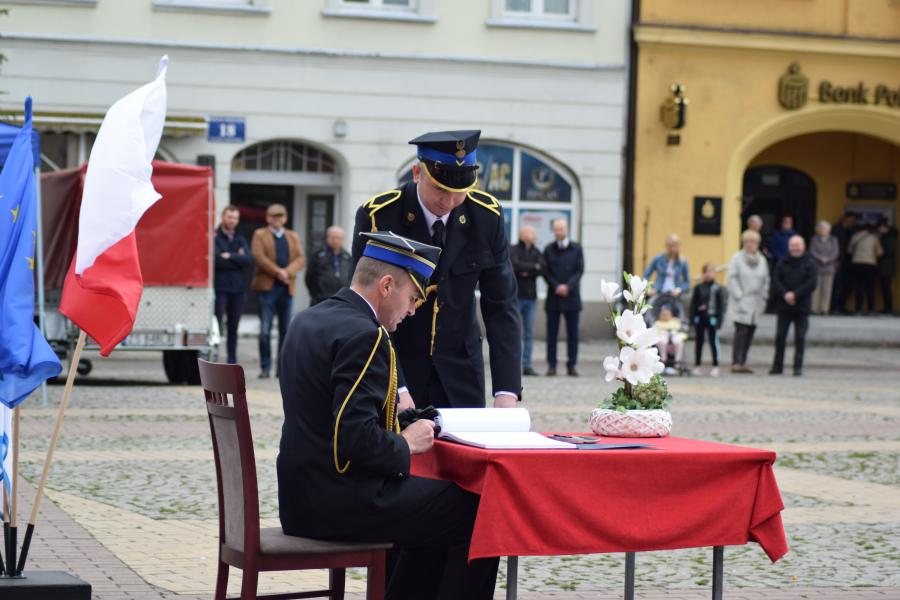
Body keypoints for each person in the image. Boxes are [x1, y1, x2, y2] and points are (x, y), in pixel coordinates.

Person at [278, 231, 499, 600]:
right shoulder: (367, 335)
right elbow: (354, 438)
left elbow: (327, 417)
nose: (412, 310)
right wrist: (406, 444)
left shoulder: (308, 320)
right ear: (385, 285)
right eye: (412, 297)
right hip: (340, 502)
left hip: (301, 497)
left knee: (436, 510)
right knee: (482, 509)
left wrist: (406, 422)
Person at [351, 130, 521, 409]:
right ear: (417, 173)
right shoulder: (380, 217)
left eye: (459, 193)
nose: (449, 201)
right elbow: (365, 309)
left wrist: (506, 390)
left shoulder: (486, 218)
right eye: (440, 189)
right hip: (397, 359)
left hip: (461, 369)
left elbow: (501, 305)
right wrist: (397, 384)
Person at [251, 203, 305, 378]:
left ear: (285, 218)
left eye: (280, 216)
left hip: (286, 287)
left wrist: (287, 272)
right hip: (267, 288)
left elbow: (300, 258)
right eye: (274, 216)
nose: (277, 219)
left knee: (285, 330)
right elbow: (259, 257)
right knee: (265, 330)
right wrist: (277, 271)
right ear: (268, 218)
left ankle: (281, 368)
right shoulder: (260, 234)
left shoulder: (292, 236)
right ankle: (265, 367)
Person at [770, 235, 818, 376]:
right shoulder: (781, 263)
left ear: (803, 246)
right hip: (784, 307)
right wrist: (785, 294)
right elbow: (776, 281)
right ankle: (777, 366)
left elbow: (812, 283)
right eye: (793, 245)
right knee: (780, 337)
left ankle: (798, 367)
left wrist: (795, 295)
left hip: (801, 307)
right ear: (789, 246)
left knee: (800, 337)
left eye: (798, 245)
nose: (795, 247)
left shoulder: (810, 264)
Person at [543, 218, 584, 377]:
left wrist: (568, 286)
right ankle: (551, 366)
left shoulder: (576, 248)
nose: (559, 232)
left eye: (561, 229)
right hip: (554, 298)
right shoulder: (548, 249)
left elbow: (579, 270)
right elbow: (545, 272)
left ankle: (571, 365)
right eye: (556, 229)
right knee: (551, 334)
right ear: (553, 231)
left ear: (566, 229)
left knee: (573, 335)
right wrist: (556, 286)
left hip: (572, 297)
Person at [726, 229, 770, 374]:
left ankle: (743, 361)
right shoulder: (736, 258)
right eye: (747, 242)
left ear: (757, 244)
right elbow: (732, 278)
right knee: (741, 331)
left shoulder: (762, 260)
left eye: (752, 242)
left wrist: (764, 297)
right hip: (741, 300)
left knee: (750, 332)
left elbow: (766, 280)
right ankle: (736, 362)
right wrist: (739, 295)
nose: (749, 245)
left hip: (756, 302)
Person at [213, 205, 252, 364]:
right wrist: (237, 258)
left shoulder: (241, 238)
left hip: (238, 289)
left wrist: (229, 256)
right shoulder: (215, 237)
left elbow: (248, 260)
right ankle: (213, 356)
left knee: (233, 326)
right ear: (223, 217)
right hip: (220, 288)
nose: (232, 221)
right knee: (217, 323)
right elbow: (216, 260)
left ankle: (231, 358)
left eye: (235, 218)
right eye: (229, 217)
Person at [510, 225, 543, 376]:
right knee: (513, 331)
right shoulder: (514, 249)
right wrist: (532, 268)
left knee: (529, 333)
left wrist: (527, 270)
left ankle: (527, 364)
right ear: (523, 234)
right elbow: (515, 265)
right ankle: (512, 363)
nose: (534, 235)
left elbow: (542, 268)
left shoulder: (536, 252)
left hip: (531, 297)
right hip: (516, 296)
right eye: (531, 232)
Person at [689, 262, 726, 377]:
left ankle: (715, 365)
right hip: (700, 318)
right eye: (707, 272)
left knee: (713, 342)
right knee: (699, 343)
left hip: (712, 318)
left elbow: (721, 307)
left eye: (711, 272)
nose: (709, 274)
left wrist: (720, 321)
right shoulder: (698, 288)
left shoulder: (718, 288)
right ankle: (697, 365)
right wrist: (692, 319)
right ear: (703, 273)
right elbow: (693, 304)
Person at [305, 225, 352, 306]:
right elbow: (309, 277)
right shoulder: (318, 255)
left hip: (341, 301)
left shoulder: (347, 257)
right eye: (333, 238)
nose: (336, 241)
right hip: (321, 301)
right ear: (327, 238)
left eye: (339, 238)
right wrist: (317, 295)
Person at [848, 222, 883, 315]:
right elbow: (880, 252)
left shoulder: (855, 236)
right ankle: (870, 309)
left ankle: (858, 308)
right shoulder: (873, 238)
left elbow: (849, 250)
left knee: (858, 287)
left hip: (856, 263)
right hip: (870, 264)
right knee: (870, 288)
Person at [643, 233, 690, 300]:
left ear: (679, 247)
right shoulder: (658, 259)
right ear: (666, 246)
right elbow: (646, 275)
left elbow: (687, 282)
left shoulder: (683, 261)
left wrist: (679, 289)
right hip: (658, 293)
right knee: (651, 306)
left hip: (675, 295)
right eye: (670, 246)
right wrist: (649, 288)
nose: (672, 249)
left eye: (675, 246)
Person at [809, 220, 839, 315]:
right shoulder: (814, 239)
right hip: (817, 266)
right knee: (815, 289)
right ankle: (814, 308)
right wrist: (820, 258)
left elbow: (835, 252)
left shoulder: (833, 240)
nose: (823, 230)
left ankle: (824, 309)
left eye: (825, 228)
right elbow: (812, 251)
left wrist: (827, 259)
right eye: (821, 228)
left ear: (829, 230)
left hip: (829, 267)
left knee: (827, 289)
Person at [830, 211, 857, 314]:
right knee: (837, 285)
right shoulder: (836, 230)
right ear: (845, 219)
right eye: (851, 220)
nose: (852, 222)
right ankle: (835, 307)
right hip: (838, 261)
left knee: (847, 285)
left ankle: (841, 306)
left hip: (849, 262)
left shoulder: (851, 231)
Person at [653, 305, 686, 374]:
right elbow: (654, 335)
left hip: (674, 341)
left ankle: (677, 363)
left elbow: (682, 332)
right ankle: (663, 360)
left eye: (667, 314)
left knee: (678, 341)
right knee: (663, 340)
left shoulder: (676, 321)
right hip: (662, 342)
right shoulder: (657, 323)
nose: (665, 316)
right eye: (663, 314)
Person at [876, 217, 897, 314]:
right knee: (885, 288)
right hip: (886, 266)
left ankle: (888, 308)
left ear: (884, 227)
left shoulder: (889, 237)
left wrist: (879, 255)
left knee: (886, 288)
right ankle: (887, 308)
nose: (879, 231)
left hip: (886, 266)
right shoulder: (889, 236)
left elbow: (889, 252)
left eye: (880, 228)